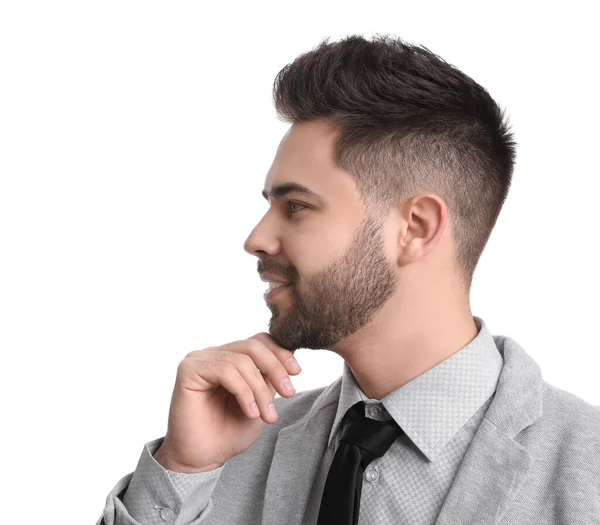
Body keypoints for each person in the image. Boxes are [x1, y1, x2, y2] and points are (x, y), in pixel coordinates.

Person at [97, 34, 600, 525]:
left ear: (415, 228)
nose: (256, 238)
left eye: (296, 206)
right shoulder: (224, 455)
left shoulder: (586, 470)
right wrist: (183, 470)